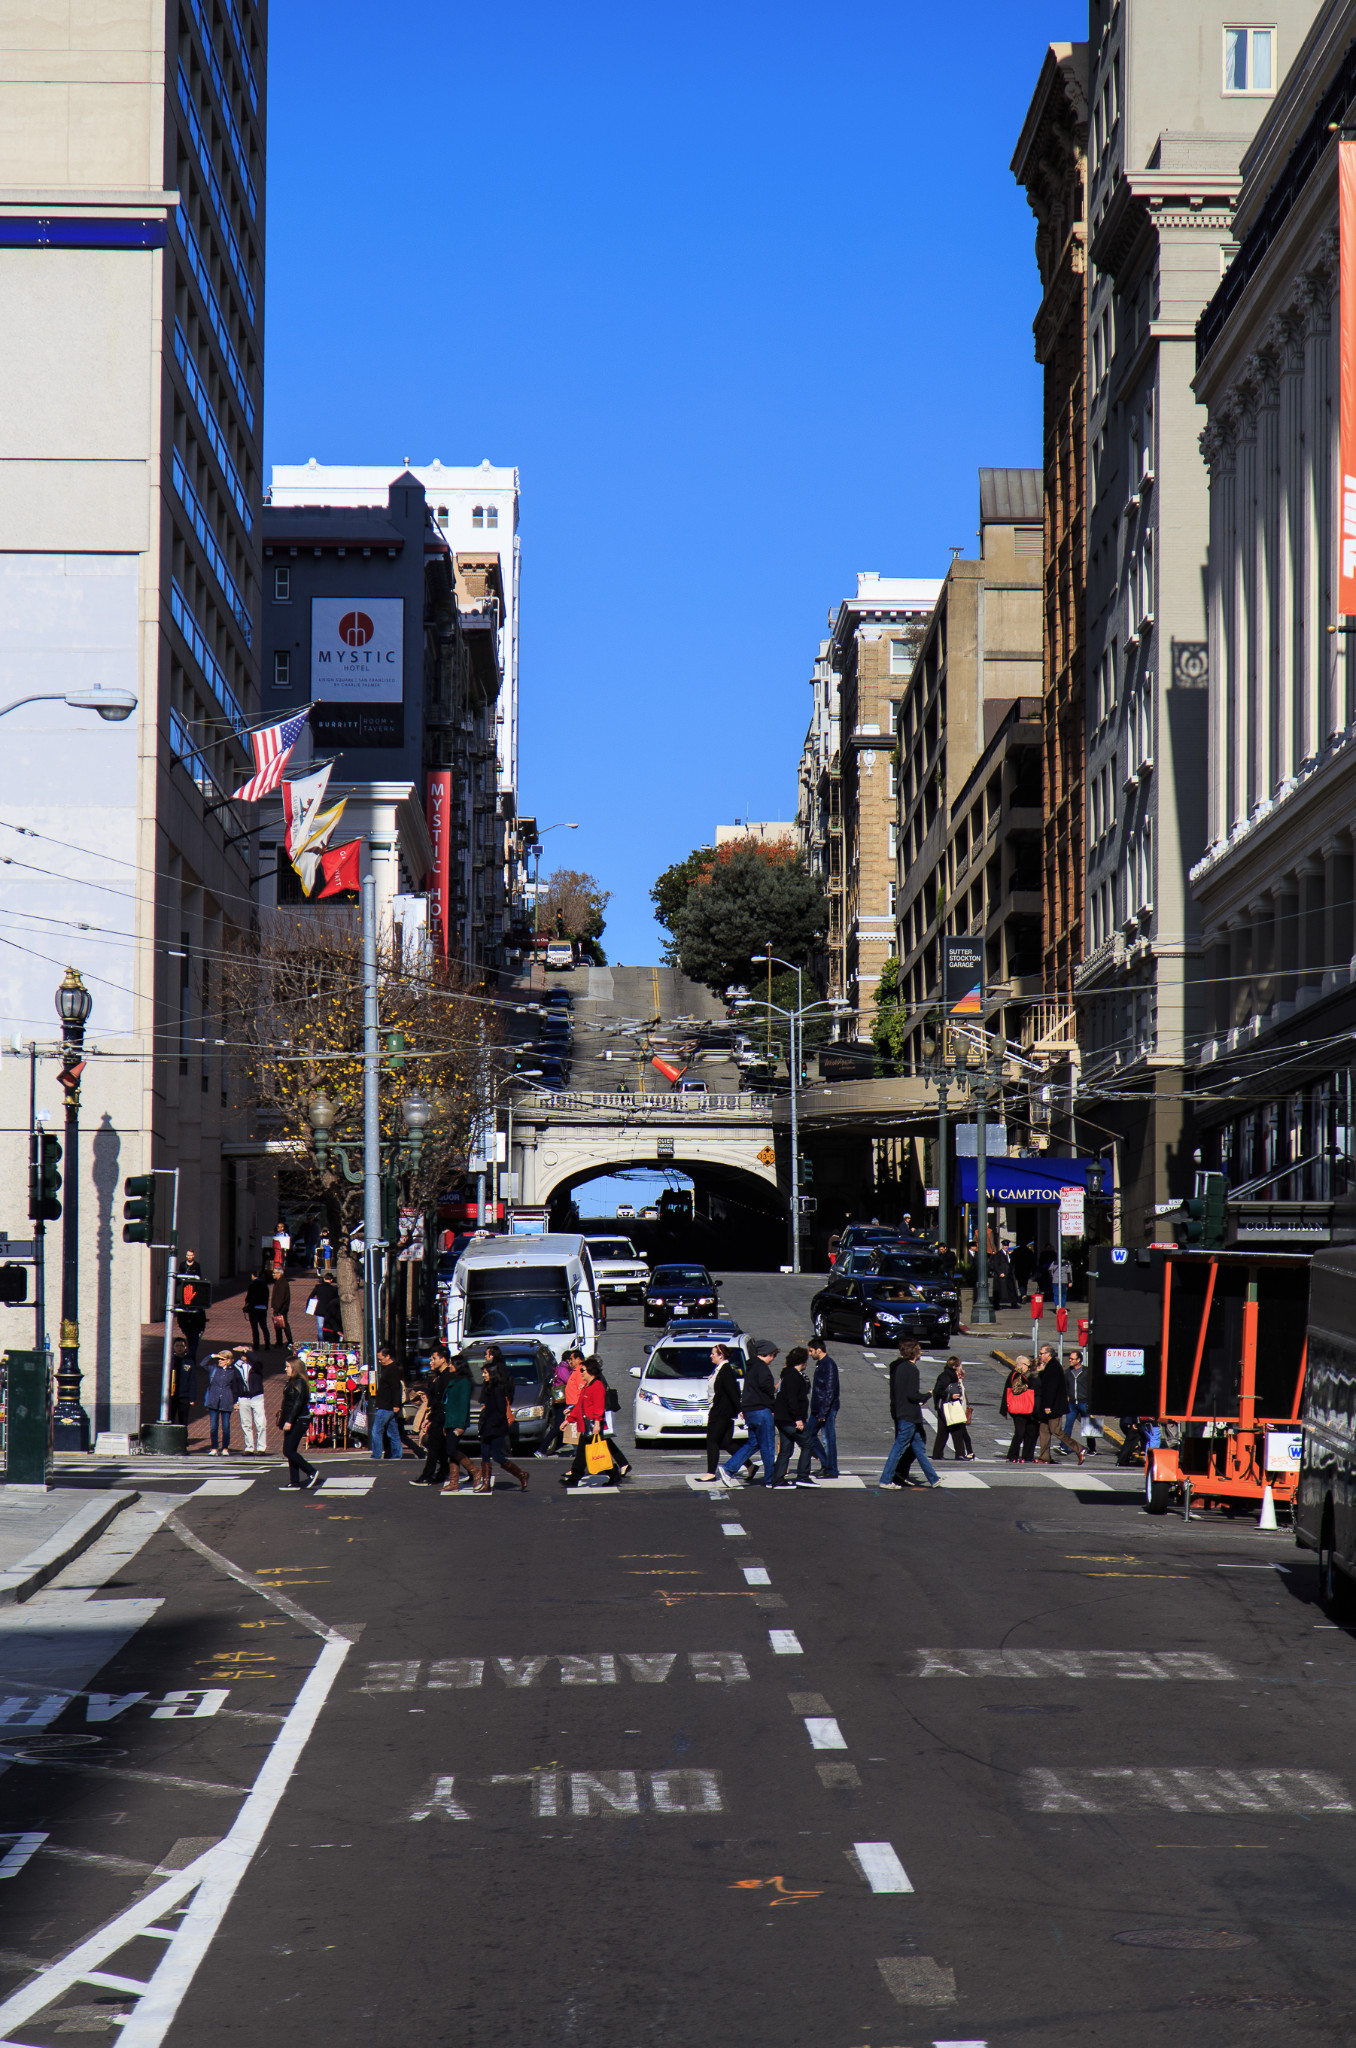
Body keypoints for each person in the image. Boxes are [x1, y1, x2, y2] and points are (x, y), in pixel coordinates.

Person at [877, 1339, 941, 1490]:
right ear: (915, 1352)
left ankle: (933, 1478)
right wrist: (928, 1395)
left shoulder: (900, 1367)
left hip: (902, 1412)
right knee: (899, 1447)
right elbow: (913, 1395)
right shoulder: (912, 1369)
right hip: (909, 1415)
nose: (921, 1352)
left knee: (919, 1448)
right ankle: (886, 1479)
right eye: (919, 1350)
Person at [718, 1339, 780, 1489]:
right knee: (768, 1446)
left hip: (749, 1411)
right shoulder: (763, 1369)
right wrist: (778, 1386)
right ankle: (770, 1479)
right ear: (768, 1354)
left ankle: (728, 1469)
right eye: (773, 1356)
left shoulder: (751, 1367)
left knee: (753, 1443)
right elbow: (768, 1390)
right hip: (761, 1411)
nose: (773, 1359)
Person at [477, 1356, 530, 1492]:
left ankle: (521, 1474)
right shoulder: (488, 1388)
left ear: (492, 1374)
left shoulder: (498, 1390)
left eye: (485, 1373)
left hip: (495, 1428)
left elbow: (500, 1412)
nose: (483, 1375)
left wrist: (491, 1426)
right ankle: (486, 1484)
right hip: (486, 1427)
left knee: (496, 1455)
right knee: (484, 1454)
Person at [698, 1343, 744, 1482]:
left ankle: (711, 1472)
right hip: (720, 1410)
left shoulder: (725, 1370)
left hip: (721, 1412)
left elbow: (732, 1392)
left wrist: (741, 1409)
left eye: (713, 1353)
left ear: (721, 1355)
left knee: (712, 1440)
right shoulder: (719, 1370)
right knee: (727, 1443)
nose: (710, 1355)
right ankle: (750, 1465)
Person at [798, 1338, 840, 1484]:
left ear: (819, 1349)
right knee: (809, 1435)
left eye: (811, 1351)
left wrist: (823, 1412)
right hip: (818, 1408)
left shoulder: (828, 1365)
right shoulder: (821, 1364)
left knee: (828, 1439)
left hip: (825, 1409)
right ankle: (826, 1463)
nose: (810, 1354)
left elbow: (830, 1390)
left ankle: (831, 1469)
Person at [771, 1347, 811, 1487]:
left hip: (781, 1418)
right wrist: (798, 1419)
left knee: (786, 1449)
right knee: (807, 1443)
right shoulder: (794, 1377)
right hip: (790, 1419)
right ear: (803, 1361)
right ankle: (803, 1476)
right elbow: (792, 1399)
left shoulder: (786, 1374)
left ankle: (778, 1479)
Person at [278, 1355, 318, 1490]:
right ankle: (294, 1481)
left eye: (288, 1366)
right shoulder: (292, 1381)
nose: (285, 1369)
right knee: (291, 1450)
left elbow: (297, 1403)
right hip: (292, 1419)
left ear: (295, 1368)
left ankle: (311, 1471)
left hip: (299, 1420)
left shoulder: (299, 1382)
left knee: (288, 1450)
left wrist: (289, 1420)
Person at [410, 1351, 450, 1487]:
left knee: (434, 1447)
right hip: (436, 1415)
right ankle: (444, 1470)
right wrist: (430, 1418)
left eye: (434, 1358)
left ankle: (427, 1476)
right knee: (442, 1448)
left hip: (443, 1416)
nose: (431, 1361)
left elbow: (443, 1401)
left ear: (443, 1359)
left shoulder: (447, 1377)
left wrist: (434, 1417)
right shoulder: (438, 1376)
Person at [441, 1354, 478, 1492]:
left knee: (451, 1449)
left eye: (452, 1364)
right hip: (450, 1420)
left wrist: (461, 1425)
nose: (450, 1366)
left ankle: (475, 1471)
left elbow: (463, 1405)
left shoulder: (464, 1383)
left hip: (457, 1421)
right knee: (451, 1451)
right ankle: (454, 1482)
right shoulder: (455, 1381)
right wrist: (446, 1424)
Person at [931, 1356, 973, 1461]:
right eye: (958, 1365)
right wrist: (950, 1396)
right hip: (948, 1405)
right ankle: (960, 1454)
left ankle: (937, 1453)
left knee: (943, 1431)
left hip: (944, 1406)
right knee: (956, 1430)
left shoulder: (949, 1375)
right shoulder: (946, 1376)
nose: (959, 1367)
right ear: (954, 1366)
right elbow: (937, 1391)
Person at [1034, 1343, 1069, 1464]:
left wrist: (1048, 1406)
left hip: (1052, 1406)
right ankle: (1044, 1457)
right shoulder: (1048, 1366)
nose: (1039, 1355)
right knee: (1044, 1431)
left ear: (1048, 1354)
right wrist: (1041, 1372)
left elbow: (1051, 1388)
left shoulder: (1054, 1367)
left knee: (1056, 1430)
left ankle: (1079, 1449)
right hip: (1045, 1406)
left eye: (1041, 1353)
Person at [370, 1347, 405, 1461]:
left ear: (388, 1356)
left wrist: (396, 1404)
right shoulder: (389, 1369)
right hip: (388, 1405)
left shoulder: (392, 1369)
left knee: (377, 1430)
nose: (380, 1362)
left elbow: (396, 1388)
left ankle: (377, 1454)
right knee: (392, 1431)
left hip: (386, 1405)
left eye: (381, 1359)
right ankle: (397, 1454)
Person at [203, 1350, 240, 1456]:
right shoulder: (213, 1369)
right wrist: (211, 1355)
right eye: (219, 1359)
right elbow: (203, 1364)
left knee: (226, 1427)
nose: (220, 1361)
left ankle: (225, 1447)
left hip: (226, 1400)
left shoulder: (232, 1371)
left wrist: (235, 1401)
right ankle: (214, 1447)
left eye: (223, 1359)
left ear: (229, 1360)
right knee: (214, 1426)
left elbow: (235, 1387)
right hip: (214, 1400)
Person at [1003, 1354, 1039, 1463]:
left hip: (1020, 1407)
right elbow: (1015, 1389)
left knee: (1022, 1431)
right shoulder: (1017, 1374)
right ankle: (1012, 1455)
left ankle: (1021, 1455)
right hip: (1018, 1408)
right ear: (1021, 1364)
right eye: (1027, 1366)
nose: (1028, 1368)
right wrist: (1027, 1386)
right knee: (1019, 1432)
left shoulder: (1017, 1374)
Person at [175, 1249, 208, 1366]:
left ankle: (190, 1358)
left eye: (191, 1255)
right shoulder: (182, 1265)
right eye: (188, 1255)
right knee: (192, 1341)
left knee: (192, 1341)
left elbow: (199, 1277)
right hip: (189, 1321)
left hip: (192, 1322)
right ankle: (190, 1358)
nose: (189, 1257)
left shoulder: (197, 1265)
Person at [234, 1346, 269, 1454]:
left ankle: (261, 1447)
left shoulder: (255, 1365)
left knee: (260, 1422)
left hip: (257, 1396)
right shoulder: (237, 1366)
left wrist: (247, 1351)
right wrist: (235, 1400)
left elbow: (258, 1361)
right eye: (242, 1354)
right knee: (246, 1423)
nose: (243, 1356)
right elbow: (235, 1383)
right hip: (243, 1397)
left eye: (245, 1353)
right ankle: (249, 1447)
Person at [1058, 1346, 1090, 1462]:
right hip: (1072, 1403)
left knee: (1088, 1425)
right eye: (1070, 1359)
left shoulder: (1086, 1372)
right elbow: (1065, 1388)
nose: (1070, 1361)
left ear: (1079, 1360)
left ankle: (1091, 1447)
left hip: (1084, 1402)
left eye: (1072, 1359)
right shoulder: (1068, 1372)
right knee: (1068, 1425)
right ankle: (1064, 1446)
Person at [168, 1338, 194, 1427]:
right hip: (172, 1395)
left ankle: (183, 1438)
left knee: (183, 1420)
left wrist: (192, 1397)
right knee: (170, 1418)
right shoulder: (170, 1361)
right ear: (173, 1347)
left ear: (186, 1347)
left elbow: (192, 1380)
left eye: (182, 1346)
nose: (179, 1348)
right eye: (177, 1346)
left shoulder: (189, 1361)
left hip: (184, 1396)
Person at [243, 1267, 271, 1349]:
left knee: (255, 1328)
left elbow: (249, 1297)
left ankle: (256, 1344)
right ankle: (267, 1344)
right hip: (263, 1308)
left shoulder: (252, 1285)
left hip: (254, 1308)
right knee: (264, 1326)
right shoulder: (265, 1285)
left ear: (254, 1276)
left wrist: (247, 1305)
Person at [312, 1275, 341, 1343]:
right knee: (330, 1326)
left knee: (320, 1327)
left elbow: (311, 1296)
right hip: (330, 1310)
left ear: (324, 1279)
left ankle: (321, 1342)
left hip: (320, 1310)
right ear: (331, 1280)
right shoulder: (334, 1289)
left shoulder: (318, 1287)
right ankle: (329, 1341)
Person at [271, 1268, 293, 1349]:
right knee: (278, 1325)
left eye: (274, 1273)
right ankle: (279, 1341)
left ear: (279, 1274)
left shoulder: (282, 1283)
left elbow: (281, 1297)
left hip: (281, 1308)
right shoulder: (279, 1282)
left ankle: (290, 1341)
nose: (273, 1274)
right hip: (279, 1308)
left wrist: (277, 1308)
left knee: (284, 1325)